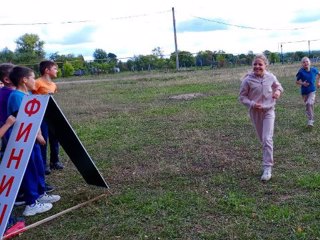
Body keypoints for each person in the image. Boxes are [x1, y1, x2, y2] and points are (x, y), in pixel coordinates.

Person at [7, 65, 61, 216]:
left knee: (38, 165)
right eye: (32, 78)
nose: (34, 81)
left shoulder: (28, 94)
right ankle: (31, 203)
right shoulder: (16, 96)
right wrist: (38, 135)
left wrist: (38, 135)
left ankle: (40, 193)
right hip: (23, 141)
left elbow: (34, 117)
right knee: (30, 169)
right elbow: (24, 120)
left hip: (33, 139)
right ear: (24, 80)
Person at [239, 53, 283, 182]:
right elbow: (242, 97)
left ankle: (267, 168)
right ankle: (267, 160)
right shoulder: (247, 80)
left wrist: (277, 92)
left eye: (260, 64)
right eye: (255, 64)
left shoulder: (271, 77)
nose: (257, 66)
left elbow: (279, 86)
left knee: (267, 139)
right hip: (255, 112)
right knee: (262, 139)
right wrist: (252, 104)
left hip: (269, 110)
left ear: (266, 66)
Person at [32, 60, 63, 175]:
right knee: (43, 139)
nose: (57, 71)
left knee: (55, 138)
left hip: (52, 115)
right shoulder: (37, 83)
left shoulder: (54, 85)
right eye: (54, 68)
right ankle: (43, 164)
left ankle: (55, 161)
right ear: (47, 70)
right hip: (41, 116)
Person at [295, 56, 320, 127]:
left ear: (310, 62)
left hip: (312, 91)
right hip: (304, 92)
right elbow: (297, 81)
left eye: (307, 61)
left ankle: (310, 120)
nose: (305, 63)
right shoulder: (301, 72)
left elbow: (319, 74)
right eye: (304, 62)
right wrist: (303, 83)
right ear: (302, 64)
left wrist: (318, 82)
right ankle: (310, 117)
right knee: (308, 105)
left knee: (309, 103)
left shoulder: (314, 70)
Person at [0, 63, 15, 158]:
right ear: (6, 79)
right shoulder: (13, 94)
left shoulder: (2, 91)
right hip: (10, 126)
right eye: (15, 74)